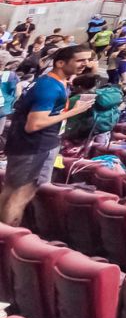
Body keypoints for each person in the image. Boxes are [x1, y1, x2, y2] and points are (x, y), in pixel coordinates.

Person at [0, 44, 95, 225]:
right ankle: (8, 238)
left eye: (88, 59)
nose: (86, 64)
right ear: (60, 63)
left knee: (11, 191)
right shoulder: (49, 86)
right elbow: (34, 124)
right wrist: (73, 112)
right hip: (34, 146)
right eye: (80, 60)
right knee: (20, 194)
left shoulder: (53, 82)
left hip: (29, 144)